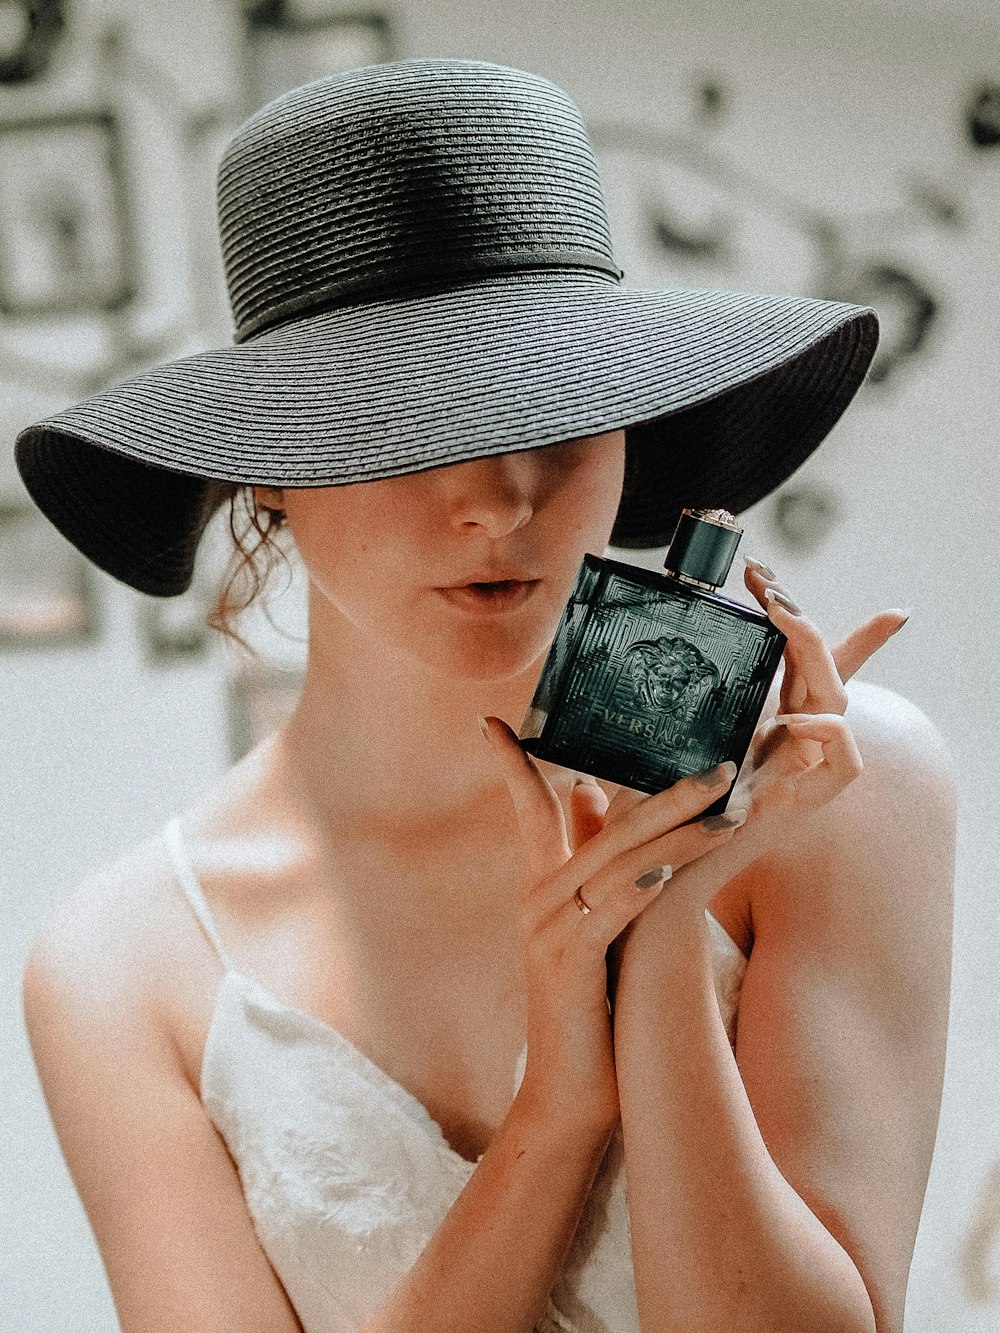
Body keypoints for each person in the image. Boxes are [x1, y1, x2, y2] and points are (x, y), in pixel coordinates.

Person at [16, 58, 954, 1333]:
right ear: (269, 473)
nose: (499, 499)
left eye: (560, 407)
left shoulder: (833, 782)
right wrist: (557, 1116)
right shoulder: (124, 964)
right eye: (405, 428)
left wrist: (664, 951)